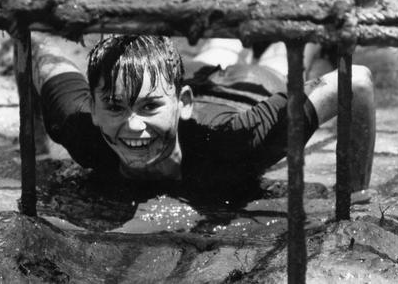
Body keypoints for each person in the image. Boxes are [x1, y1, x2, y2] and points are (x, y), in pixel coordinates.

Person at [31, 34, 375, 198]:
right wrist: (38, 151)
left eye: (148, 110)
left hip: (248, 90)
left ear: (183, 103)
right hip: (177, 77)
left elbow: (357, 82)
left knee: (281, 56)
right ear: (92, 107)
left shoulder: (238, 141)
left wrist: (356, 195)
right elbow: (42, 53)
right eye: (115, 107)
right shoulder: (80, 127)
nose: (133, 126)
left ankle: (308, 30)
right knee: (218, 48)